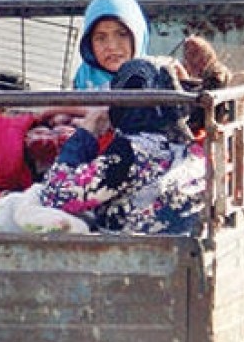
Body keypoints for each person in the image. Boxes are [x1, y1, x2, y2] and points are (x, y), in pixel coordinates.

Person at [41, 59, 206, 235]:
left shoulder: (131, 153)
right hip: (178, 243)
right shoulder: (193, 150)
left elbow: (56, 196)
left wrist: (85, 135)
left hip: (130, 253)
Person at [71, 0, 150, 90]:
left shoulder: (156, 81)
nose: (112, 46)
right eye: (100, 38)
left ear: (138, 37)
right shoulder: (82, 82)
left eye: (122, 34)